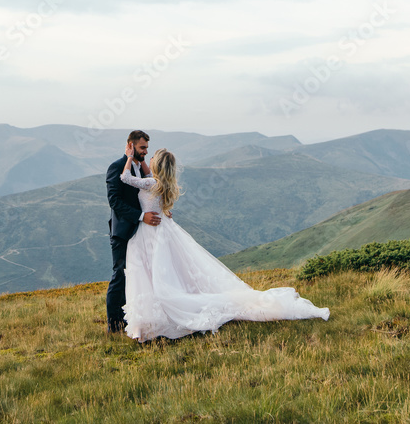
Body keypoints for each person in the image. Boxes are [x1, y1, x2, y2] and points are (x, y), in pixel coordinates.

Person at [118, 143, 330, 342]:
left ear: (157, 165)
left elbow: (125, 177)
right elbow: (147, 175)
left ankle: (154, 321)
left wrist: (129, 157)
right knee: (163, 273)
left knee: (154, 274)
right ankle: (154, 320)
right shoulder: (160, 182)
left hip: (151, 232)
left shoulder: (150, 183)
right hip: (159, 229)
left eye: (152, 157)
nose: (149, 158)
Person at [106, 130, 165, 333]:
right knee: (120, 275)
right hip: (123, 232)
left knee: (141, 276)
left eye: (147, 148)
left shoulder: (142, 169)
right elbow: (114, 201)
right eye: (142, 148)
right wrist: (141, 217)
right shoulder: (116, 167)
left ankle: (134, 319)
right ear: (130, 146)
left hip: (143, 234)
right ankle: (114, 326)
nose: (145, 152)